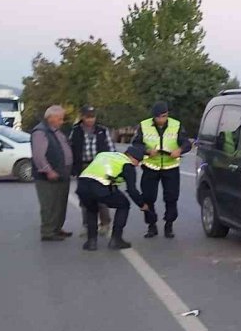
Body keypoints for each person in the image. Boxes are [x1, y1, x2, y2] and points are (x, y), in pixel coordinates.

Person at [133, 102, 191, 239]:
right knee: (148, 197)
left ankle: (169, 225)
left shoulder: (176, 125)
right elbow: (136, 143)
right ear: (154, 117)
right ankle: (151, 225)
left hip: (170, 166)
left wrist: (180, 150)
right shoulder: (144, 125)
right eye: (159, 117)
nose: (161, 120)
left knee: (171, 197)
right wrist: (147, 151)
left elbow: (186, 143)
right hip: (150, 166)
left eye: (164, 116)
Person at [76, 145, 149, 251]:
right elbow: (132, 190)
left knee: (91, 209)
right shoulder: (127, 165)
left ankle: (91, 242)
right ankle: (116, 240)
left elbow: (105, 172)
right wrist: (142, 204)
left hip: (82, 186)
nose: (137, 165)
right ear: (133, 158)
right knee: (124, 204)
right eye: (138, 162)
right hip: (100, 187)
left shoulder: (104, 154)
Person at [69, 105, 115, 237]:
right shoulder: (76, 131)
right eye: (88, 117)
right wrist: (73, 168)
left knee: (101, 198)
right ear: (82, 117)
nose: (90, 120)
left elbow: (111, 150)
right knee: (85, 198)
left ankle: (105, 224)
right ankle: (87, 225)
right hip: (83, 168)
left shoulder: (102, 130)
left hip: (100, 167)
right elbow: (71, 149)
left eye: (92, 117)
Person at [30, 105, 73, 242]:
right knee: (49, 204)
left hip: (62, 173)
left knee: (60, 203)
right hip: (48, 176)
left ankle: (57, 228)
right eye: (59, 118)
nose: (62, 121)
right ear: (50, 118)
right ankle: (48, 231)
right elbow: (39, 155)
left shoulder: (56, 131)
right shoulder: (40, 132)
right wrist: (48, 170)